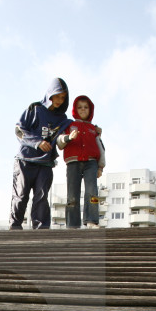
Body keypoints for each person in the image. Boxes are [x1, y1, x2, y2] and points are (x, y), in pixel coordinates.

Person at [10, 78, 73, 230]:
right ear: (50, 94)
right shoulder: (35, 109)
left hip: (45, 163)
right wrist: (37, 142)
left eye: (63, 97)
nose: (59, 100)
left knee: (41, 198)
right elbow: (19, 130)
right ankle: (15, 228)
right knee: (21, 196)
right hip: (25, 160)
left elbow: (68, 134)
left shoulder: (63, 120)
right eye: (57, 95)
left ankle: (41, 232)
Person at [61, 95, 106, 228]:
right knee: (72, 195)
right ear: (75, 109)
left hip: (91, 163)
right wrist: (68, 137)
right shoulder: (69, 125)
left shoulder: (93, 129)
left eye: (86, 107)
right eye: (80, 107)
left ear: (90, 110)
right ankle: (72, 225)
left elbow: (101, 147)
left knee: (92, 192)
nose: (83, 110)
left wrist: (100, 167)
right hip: (72, 163)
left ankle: (92, 220)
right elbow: (60, 142)